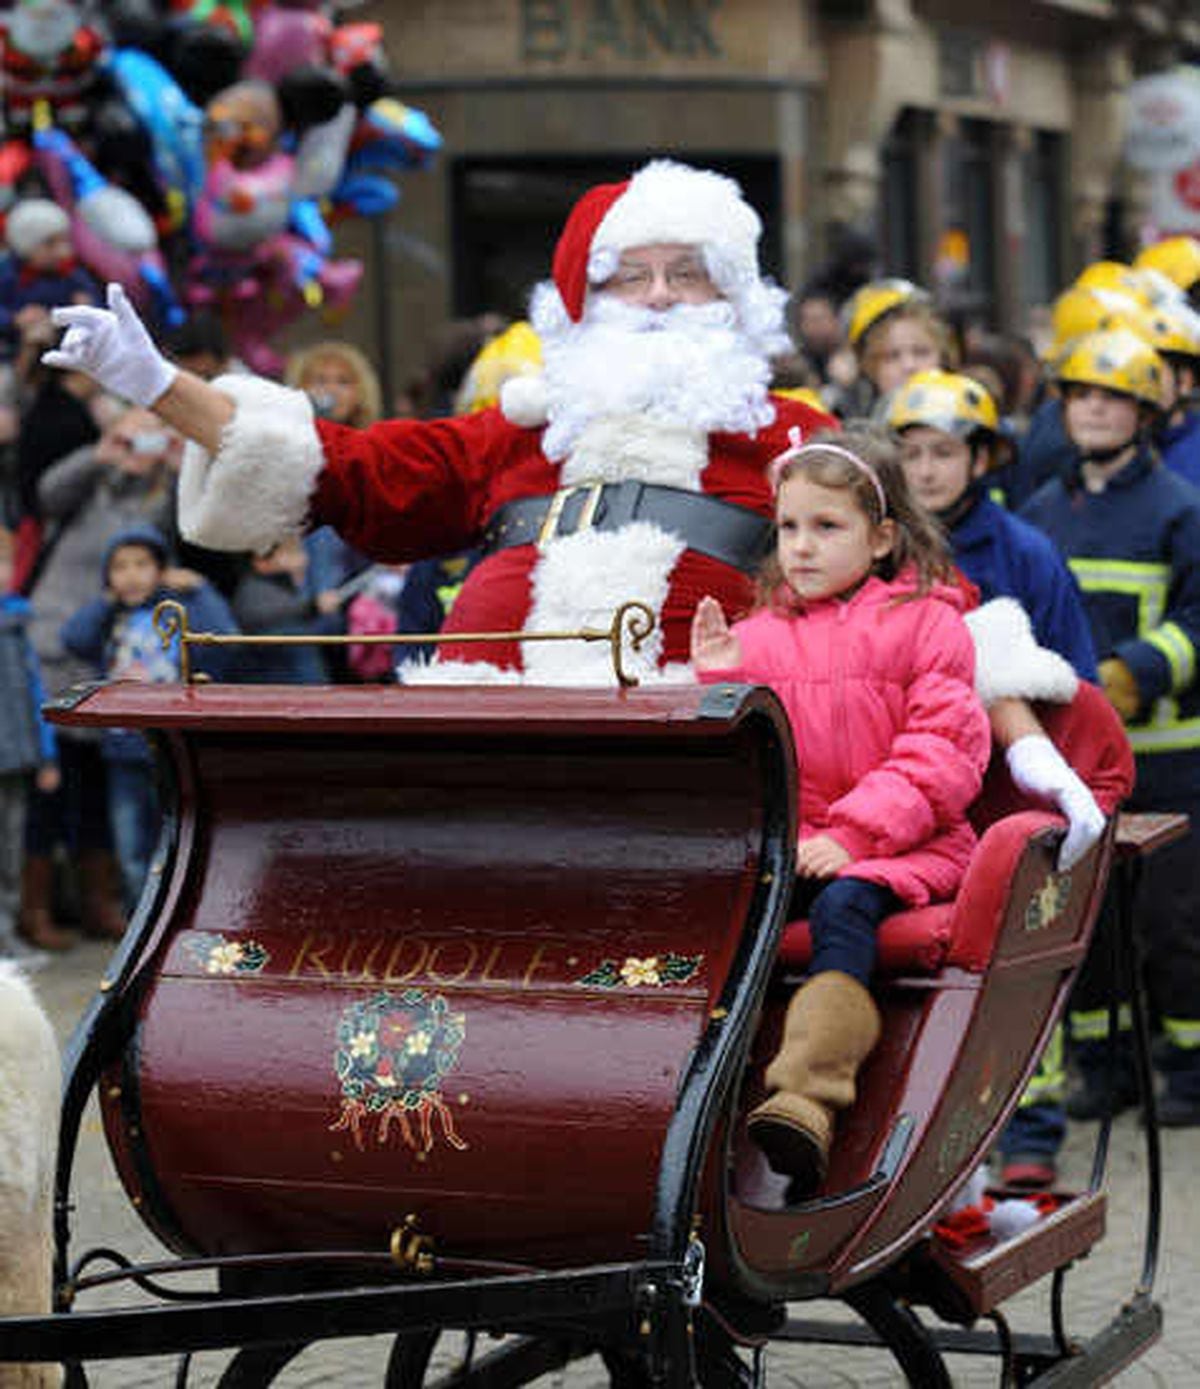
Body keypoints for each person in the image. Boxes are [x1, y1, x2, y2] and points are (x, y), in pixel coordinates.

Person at [43, 159, 1104, 858]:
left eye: (685, 275)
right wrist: (164, 389)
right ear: (579, 305)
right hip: (484, 770)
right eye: (625, 277)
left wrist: (1031, 739)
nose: (652, 298)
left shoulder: (791, 432)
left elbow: (923, 602)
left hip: (698, 779)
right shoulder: (518, 430)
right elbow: (346, 469)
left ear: (734, 300)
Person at [690, 425, 992, 1194]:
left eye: (827, 527)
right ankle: (696, 1093)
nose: (801, 546)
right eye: (788, 526)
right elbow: (736, 767)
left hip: (904, 845)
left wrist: (855, 836)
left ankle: (808, 1098)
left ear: (883, 536)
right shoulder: (757, 636)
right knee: (723, 913)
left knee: (846, 910)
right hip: (800, 845)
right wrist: (717, 681)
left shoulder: (930, 622)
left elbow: (943, 750)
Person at [888, 369, 1100, 1188]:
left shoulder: (1024, 552)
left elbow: (1073, 684)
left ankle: (1031, 1131)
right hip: (921, 793)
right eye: (911, 453)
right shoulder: (882, 548)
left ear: (983, 457)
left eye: (944, 451)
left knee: (1019, 960)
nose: (929, 469)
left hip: (1008, 792)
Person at [1020, 326, 1200, 1127]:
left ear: (1146, 412)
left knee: (1172, 921)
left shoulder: (1179, 509)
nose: (1093, 410)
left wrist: (1139, 668)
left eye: (1112, 397)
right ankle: (1105, 1063)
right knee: (1090, 925)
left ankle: (1190, 1069)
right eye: (1081, 395)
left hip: (1168, 755)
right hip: (1074, 763)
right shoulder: (1042, 510)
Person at [60, 522, 237, 911]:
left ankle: (176, 920)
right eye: (120, 567)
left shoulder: (177, 612)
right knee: (130, 847)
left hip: (175, 748)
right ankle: (138, 924)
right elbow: (73, 638)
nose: (132, 575)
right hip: (123, 750)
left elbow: (225, 639)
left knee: (177, 842)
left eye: (142, 564)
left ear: (161, 569)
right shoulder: (110, 619)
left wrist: (200, 589)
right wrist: (107, 600)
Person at [0, 528, 59, 961]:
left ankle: (7, 934)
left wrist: (47, 753)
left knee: (12, 851)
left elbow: (37, 694)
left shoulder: (21, 624)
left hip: (18, 759)